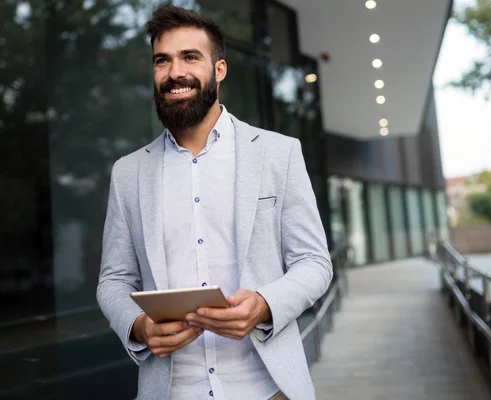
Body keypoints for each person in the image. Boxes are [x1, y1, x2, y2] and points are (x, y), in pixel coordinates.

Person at [96, 5, 332, 400]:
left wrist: (264, 304)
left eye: (190, 57)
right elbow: (114, 281)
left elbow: (314, 262)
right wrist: (139, 325)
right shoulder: (128, 172)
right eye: (162, 61)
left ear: (219, 69)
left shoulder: (279, 152)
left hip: (270, 388)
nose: (175, 73)